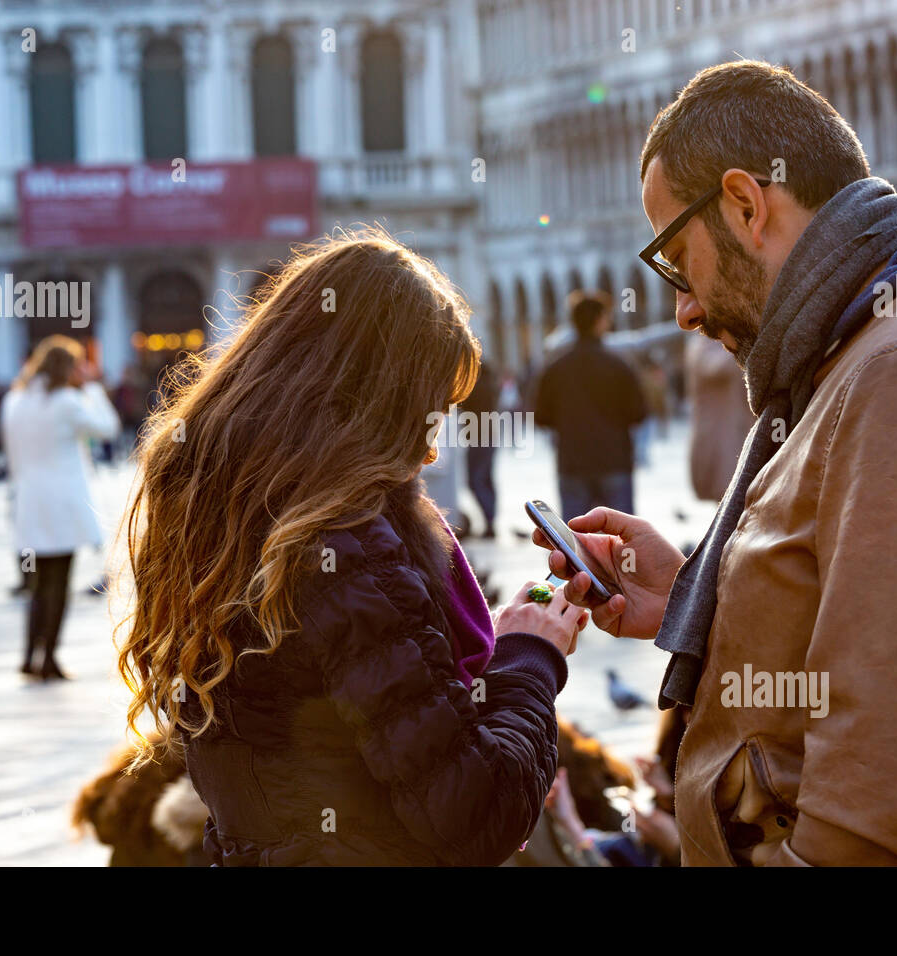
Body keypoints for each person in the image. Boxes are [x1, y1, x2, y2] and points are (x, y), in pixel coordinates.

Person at [538, 60, 897, 866]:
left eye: (676, 260)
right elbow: (856, 626)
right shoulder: (867, 353)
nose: (683, 309)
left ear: (746, 205)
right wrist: (696, 593)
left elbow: (877, 778)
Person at [118, 229, 588, 866]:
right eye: (428, 407)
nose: (431, 443)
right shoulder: (346, 545)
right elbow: (473, 812)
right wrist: (532, 656)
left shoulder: (209, 503)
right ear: (382, 399)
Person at [1, 336, 119, 680]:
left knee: (36, 582)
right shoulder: (68, 401)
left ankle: (28, 655)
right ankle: (49, 658)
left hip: (29, 500)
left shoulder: (14, 400)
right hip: (63, 503)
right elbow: (108, 428)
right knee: (58, 582)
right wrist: (94, 390)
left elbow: (11, 453)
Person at [534, 290, 646, 518]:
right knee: (620, 536)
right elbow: (638, 413)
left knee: (577, 539)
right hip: (614, 459)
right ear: (599, 320)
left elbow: (541, 416)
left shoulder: (556, 368)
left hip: (572, 462)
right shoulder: (618, 366)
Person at [684, 332, 755, 500]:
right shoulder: (702, 346)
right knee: (728, 493)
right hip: (718, 437)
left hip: (736, 432)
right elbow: (714, 368)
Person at [461, 360, 500, 537]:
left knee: (475, 481)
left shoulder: (476, 387)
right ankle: (491, 520)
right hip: (489, 436)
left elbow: (462, 405)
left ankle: (490, 521)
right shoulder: (491, 385)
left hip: (478, 437)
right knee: (486, 480)